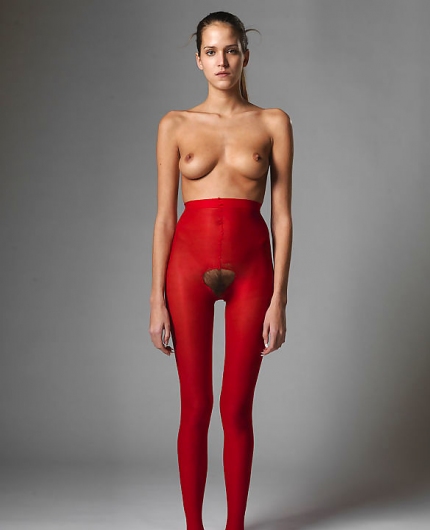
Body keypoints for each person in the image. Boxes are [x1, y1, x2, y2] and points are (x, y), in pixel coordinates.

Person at [149, 11, 293, 530]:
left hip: (253, 274)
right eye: (211, 51)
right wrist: (155, 299)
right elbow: (165, 218)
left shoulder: (273, 122)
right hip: (185, 271)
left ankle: (235, 527)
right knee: (195, 405)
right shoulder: (175, 124)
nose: (222, 60)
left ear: (245, 55)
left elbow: (282, 215)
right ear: (198, 60)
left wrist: (280, 299)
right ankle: (194, 527)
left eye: (230, 49)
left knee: (236, 407)